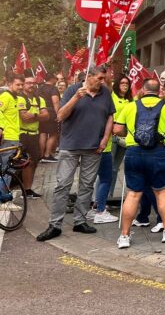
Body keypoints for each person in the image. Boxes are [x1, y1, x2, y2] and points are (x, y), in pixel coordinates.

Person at [36, 66, 115, 242]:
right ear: (89, 76)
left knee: (87, 185)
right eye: (100, 78)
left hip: (93, 147)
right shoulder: (73, 90)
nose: (103, 82)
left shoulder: (105, 94)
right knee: (63, 185)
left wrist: (104, 139)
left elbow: (110, 116)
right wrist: (76, 97)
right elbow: (61, 116)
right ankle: (54, 224)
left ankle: (80, 221)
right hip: (70, 147)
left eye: (104, 79)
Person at [113, 78, 165, 248]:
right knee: (161, 191)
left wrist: (129, 132)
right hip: (158, 152)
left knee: (133, 194)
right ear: (159, 91)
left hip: (134, 152)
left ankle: (124, 236)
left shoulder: (131, 106)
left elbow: (117, 129)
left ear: (143, 90)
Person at [18, 74, 48, 199]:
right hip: (22, 134)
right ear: (23, 84)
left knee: (34, 162)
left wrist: (34, 116)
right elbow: (24, 118)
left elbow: (47, 116)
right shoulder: (19, 98)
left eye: (33, 83)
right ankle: (22, 190)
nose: (31, 85)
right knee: (23, 162)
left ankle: (28, 190)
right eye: (28, 83)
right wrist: (38, 115)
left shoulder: (40, 99)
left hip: (34, 135)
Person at [108, 75, 133, 198]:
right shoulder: (111, 96)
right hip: (112, 137)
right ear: (117, 84)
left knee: (115, 168)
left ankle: (110, 196)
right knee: (108, 168)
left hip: (125, 138)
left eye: (127, 83)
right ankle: (103, 198)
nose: (125, 85)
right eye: (122, 82)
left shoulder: (130, 101)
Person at [0, 74, 24, 198]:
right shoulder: (6, 96)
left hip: (14, 137)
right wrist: (1, 128)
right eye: (17, 84)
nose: (20, 87)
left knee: (9, 169)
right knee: (6, 169)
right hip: (7, 138)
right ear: (10, 84)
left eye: (21, 84)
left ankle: (4, 195)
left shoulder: (15, 98)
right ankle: (3, 200)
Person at [38, 72, 61, 163]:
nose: (57, 80)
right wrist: (59, 114)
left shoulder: (39, 88)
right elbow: (55, 102)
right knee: (54, 134)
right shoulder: (53, 89)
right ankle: (47, 155)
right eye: (56, 78)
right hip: (51, 113)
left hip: (41, 112)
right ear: (52, 79)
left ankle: (41, 155)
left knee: (42, 133)